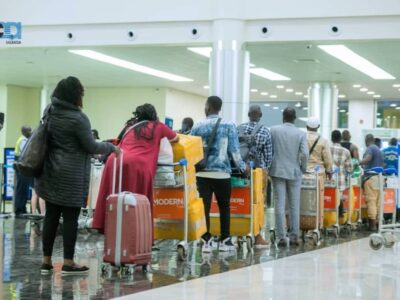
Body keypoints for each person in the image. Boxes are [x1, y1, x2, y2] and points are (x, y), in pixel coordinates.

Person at [36, 76, 120, 275]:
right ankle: (68, 262)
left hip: (50, 170)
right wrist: (111, 147)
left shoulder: (49, 110)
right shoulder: (78, 118)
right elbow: (91, 146)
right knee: (71, 219)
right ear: (76, 95)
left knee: (51, 217)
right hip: (70, 174)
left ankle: (46, 262)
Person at [93, 103, 179, 235]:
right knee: (136, 201)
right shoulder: (158, 126)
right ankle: (134, 234)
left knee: (114, 197)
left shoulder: (130, 126)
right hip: (138, 164)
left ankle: (111, 231)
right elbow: (175, 138)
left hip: (114, 160)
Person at [191, 96, 246, 253]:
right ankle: (225, 240)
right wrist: (242, 168)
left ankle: (206, 240)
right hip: (222, 173)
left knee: (205, 207)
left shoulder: (197, 125)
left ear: (208, 107)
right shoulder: (229, 125)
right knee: (224, 206)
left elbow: (194, 151)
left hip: (202, 174)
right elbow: (234, 150)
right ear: (219, 108)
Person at [269, 107, 308, 247]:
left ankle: (281, 237)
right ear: (295, 118)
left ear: (283, 117)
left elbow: (269, 150)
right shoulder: (301, 133)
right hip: (294, 171)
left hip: (277, 170)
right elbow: (304, 154)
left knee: (279, 204)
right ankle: (294, 236)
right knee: (294, 204)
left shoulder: (273, 130)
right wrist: (302, 168)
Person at [237, 104, 272, 248]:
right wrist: (266, 172)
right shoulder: (265, 131)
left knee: (240, 201)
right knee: (258, 204)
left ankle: (239, 233)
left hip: (239, 170)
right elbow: (269, 156)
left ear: (248, 114)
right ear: (260, 115)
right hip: (258, 172)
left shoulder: (239, 128)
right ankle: (257, 237)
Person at [306, 117, 333, 228]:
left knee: (303, 198)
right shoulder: (323, 141)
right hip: (318, 174)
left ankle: (302, 222)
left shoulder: (302, 138)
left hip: (303, 172)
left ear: (306, 126)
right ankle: (317, 224)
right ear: (318, 127)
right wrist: (329, 171)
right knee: (318, 200)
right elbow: (328, 158)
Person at [358, 133, 384, 231]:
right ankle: (378, 223)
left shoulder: (370, 148)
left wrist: (358, 162)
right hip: (379, 178)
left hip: (371, 178)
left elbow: (368, 158)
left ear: (366, 141)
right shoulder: (379, 150)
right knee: (378, 202)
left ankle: (372, 225)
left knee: (371, 201)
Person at [330, 130, 353, 216]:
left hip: (327, 182)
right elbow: (350, 169)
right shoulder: (346, 151)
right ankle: (337, 219)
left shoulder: (326, 149)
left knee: (328, 202)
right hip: (340, 182)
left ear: (331, 139)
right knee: (337, 200)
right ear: (340, 139)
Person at [14, 125, 34, 216]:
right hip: (22, 167)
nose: (31, 132)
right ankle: (19, 209)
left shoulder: (23, 140)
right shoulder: (23, 141)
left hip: (22, 167)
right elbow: (26, 154)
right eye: (29, 130)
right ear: (23, 132)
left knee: (23, 188)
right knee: (22, 189)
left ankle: (22, 207)